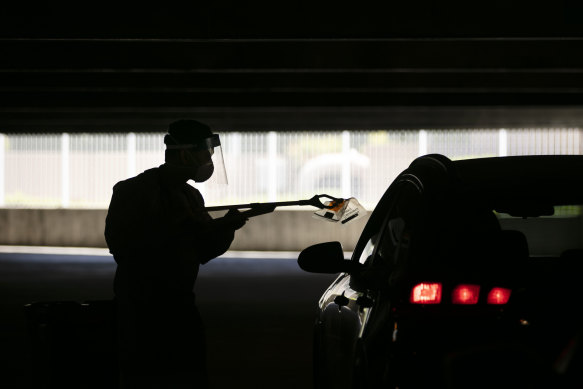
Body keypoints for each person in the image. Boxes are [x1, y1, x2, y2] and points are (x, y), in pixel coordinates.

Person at [104, 119, 248, 388]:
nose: (210, 163)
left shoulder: (191, 196)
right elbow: (123, 247)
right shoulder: (133, 191)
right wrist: (180, 228)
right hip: (140, 309)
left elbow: (203, 250)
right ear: (185, 154)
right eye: (207, 155)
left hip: (180, 305)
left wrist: (226, 228)